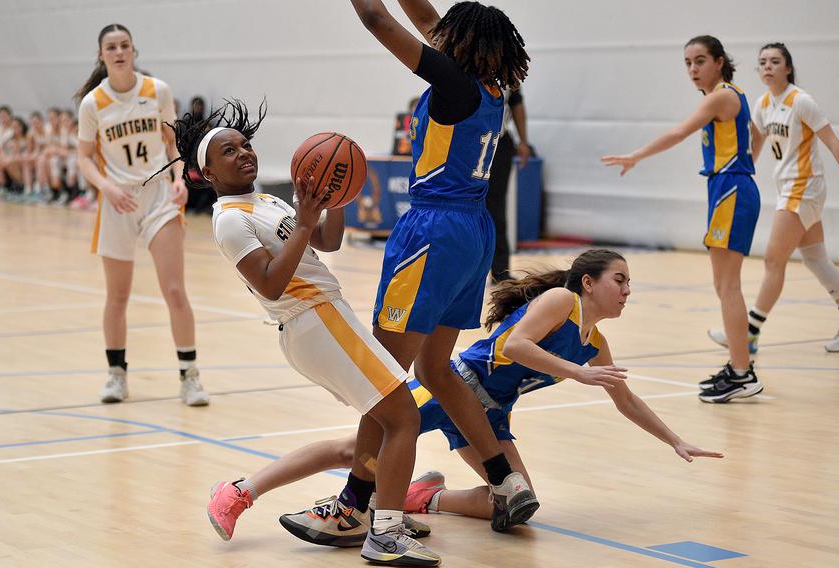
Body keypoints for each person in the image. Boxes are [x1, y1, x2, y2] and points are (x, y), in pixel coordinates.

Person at [205, 250, 721, 535]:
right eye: (620, 280)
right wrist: (577, 373)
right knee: (354, 450)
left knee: (516, 505)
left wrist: (674, 440)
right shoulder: (562, 300)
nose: (628, 290)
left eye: (629, 283)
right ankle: (240, 491)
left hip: (492, 416)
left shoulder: (595, 343)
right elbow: (516, 346)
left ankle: (422, 497)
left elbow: (626, 400)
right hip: (456, 387)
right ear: (588, 283)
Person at [157, 99, 441, 566]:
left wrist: (337, 202)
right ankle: (385, 533)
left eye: (246, 145)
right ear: (206, 173)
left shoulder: (266, 200)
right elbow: (269, 284)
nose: (244, 153)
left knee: (383, 419)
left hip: (326, 317)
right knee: (403, 417)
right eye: (228, 152)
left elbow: (326, 242)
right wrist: (306, 222)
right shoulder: (230, 219)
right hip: (312, 319)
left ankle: (372, 511)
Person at [320, 0, 537, 540]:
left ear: (457, 44)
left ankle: (356, 507)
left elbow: (377, 19)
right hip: (473, 233)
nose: (433, 35)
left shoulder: (453, 84)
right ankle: (505, 479)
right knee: (435, 370)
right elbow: (423, 18)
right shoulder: (492, 89)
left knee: (382, 377)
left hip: (432, 232)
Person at [602, 35, 763, 404]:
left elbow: (678, 132)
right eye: (688, 62)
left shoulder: (721, 96)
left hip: (731, 191)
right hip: (727, 187)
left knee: (729, 287)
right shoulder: (726, 95)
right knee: (724, 287)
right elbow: (754, 132)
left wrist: (636, 155)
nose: (693, 68)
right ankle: (739, 367)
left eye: (700, 60)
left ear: (719, 61)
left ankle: (743, 373)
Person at [74, 23, 209, 406]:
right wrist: (106, 186)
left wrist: (180, 178)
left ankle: (190, 376)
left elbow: (173, 145)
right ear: (101, 55)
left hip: (159, 199)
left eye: (125, 46)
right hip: (117, 202)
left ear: (134, 51)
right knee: (117, 296)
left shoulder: (157, 91)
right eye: (111, 47)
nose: (119, 52)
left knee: (174, 291)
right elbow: (84, 158)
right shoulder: (93, 104)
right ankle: (116, 375)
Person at [707, 43, 839, 354]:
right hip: (787, 188)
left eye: (775, 61)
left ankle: (748, 332)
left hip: (804, 187)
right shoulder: (763, 102)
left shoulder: (801, 100)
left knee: (773, 259)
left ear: (788, 68)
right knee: (815, 258)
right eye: (763, 62)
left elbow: (832, 141)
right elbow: (753, 148)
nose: (768, 67)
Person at [487, 89, 532, 283]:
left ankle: (500, 270)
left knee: (496, 206)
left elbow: (517, 103)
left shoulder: (508, 69)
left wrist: (523, 141)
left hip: (500, 140)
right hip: (469, 138)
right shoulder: (462, 64)